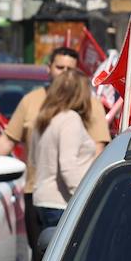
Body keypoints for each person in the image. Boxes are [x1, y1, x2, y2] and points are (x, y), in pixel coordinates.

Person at [0, 47, 111, 253]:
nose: (65, 74)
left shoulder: (82, 107)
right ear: (49, 68)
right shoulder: (39, 105)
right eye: (60, 67)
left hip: (56, 196)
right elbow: (10, 140)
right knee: (55, 260)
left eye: (71, 69)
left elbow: (98, 149)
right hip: (50, 195)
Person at [31, 70, 100, 229]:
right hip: (63, 203)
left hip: (43, 199)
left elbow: (34, 160)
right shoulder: (70, 119)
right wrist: (86, 196)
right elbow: (68, 165)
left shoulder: (43, 118)